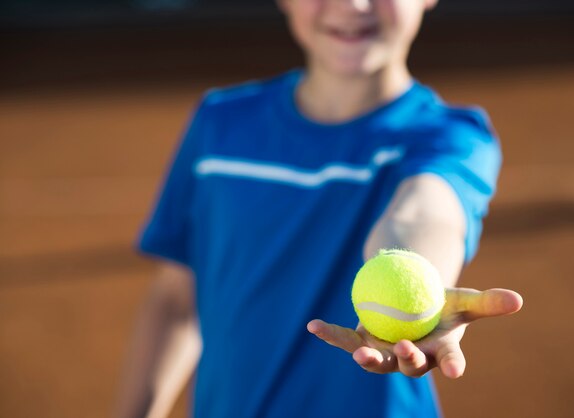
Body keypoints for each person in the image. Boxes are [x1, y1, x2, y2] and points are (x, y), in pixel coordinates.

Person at [114, 0, 523, 417]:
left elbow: (422, 213)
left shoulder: (451, 136)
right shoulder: (218, 124)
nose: (352, 5)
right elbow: (177, 300)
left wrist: (415, 271)